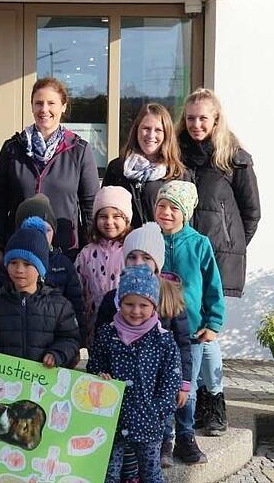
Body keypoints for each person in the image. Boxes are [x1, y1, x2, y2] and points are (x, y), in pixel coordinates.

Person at [93, 222, 193, 469]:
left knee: (158, 423)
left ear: (157, 262)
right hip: (120, 382)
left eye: (146, 257)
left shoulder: (169, 296)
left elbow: (182, 344)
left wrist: (183, 383)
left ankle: (166, 445)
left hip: (156, 380)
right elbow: (100, 339)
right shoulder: (113, 298)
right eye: (132, 256)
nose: (138, 262)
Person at [88, 265, 183, 483]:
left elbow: (171, 379)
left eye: (143, 305)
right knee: (109, 473)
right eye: (129, 304)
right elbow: (95, 366)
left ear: (154, 306)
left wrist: (158, 410)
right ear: (119, 303)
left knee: (151, 474)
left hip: (148, 422)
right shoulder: (107, 334)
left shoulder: (163, 340)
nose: (136, 311)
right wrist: (100, 377)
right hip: (111, 420)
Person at [154, 181, 227, 457]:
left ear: (185, 213)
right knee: (159, 383)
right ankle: (164, 438)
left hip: (192, 332)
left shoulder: (199, 244)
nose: (167, 213)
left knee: (188, 386)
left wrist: (214, 323)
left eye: (174, 208)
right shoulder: (150, 239)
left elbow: (212, 286)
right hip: (156, 330)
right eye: (162, 206)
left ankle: (186, 436)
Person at [0, 77, 100, 254]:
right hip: (19, 251)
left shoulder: (79, 150)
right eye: (39, 103)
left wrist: (91, 248)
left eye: (51, 103)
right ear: (32, 106)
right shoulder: (13, 148)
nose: (44, 109)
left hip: (65, 252)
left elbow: (90, 205)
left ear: (63, 106)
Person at [177, 88, 261, 298]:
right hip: (180, 255)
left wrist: (229, 244)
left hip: (217, 259)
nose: (196, 125)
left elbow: (251, 212)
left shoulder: (234, 159)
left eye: (202, 118)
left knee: (209, 327)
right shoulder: (175, 154)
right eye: (191, 118)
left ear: (216, 119)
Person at [0, 217, 80, 367]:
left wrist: (57, 353)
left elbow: (70, 339)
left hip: (43, 383)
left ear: (40, 268)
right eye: (13, 263)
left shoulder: (59, 306)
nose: (19, 270)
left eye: (27, 264)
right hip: (6, 382)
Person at [0, 194, 85, 357]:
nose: (20, 269)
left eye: (46, 230)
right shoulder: (8, 267)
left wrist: (66, 352)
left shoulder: (63, 265)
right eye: (31, 229)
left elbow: (76, 307)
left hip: (48, 355)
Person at [103, 103, 190, 228]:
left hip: (163, 245)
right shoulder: (117, 168)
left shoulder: (177, 173)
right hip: (124, 245)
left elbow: (185, 225)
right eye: (146, 128)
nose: (151, 135)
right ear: (136, 130)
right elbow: (105, 210)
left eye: (158, 130)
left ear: (167, 134)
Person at [74, 186, 133, 346]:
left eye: (116, 216)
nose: (109, 222)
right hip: (96, 328)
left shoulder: (132, 252)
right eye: (103, 216)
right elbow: (78, 290)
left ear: (126, 220)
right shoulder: (86, 253)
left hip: (129, 328)